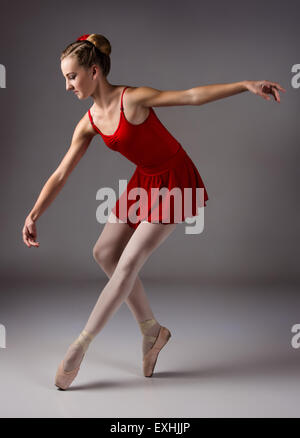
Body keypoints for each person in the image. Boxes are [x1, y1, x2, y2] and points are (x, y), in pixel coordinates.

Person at [22, 33, 285, 390]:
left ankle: (78, 348)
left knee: (128, 264)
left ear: (94, 71)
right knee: (104, 253)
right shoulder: (89, 122)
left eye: (71, 76)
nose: (67, 85)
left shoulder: (134, 99)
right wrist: (34, 214)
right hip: (144, 181)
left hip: (175, 180)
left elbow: (191, 97)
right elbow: (61, 173)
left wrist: (244, 85)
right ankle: (152, 330)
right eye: (64, 78)